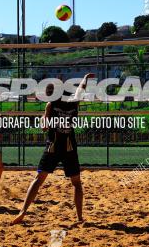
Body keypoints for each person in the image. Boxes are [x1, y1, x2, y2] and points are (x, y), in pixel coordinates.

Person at [12, 73, 94, 225]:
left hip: (54, 147)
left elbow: (44, 124)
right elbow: (81, 89)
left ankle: (22, 212)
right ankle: (79, 218)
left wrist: (44, 121)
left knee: (38, 180)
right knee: (76, 183)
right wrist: (85, 78)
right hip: (68, 147)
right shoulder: (72, 102)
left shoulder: (52, 104)